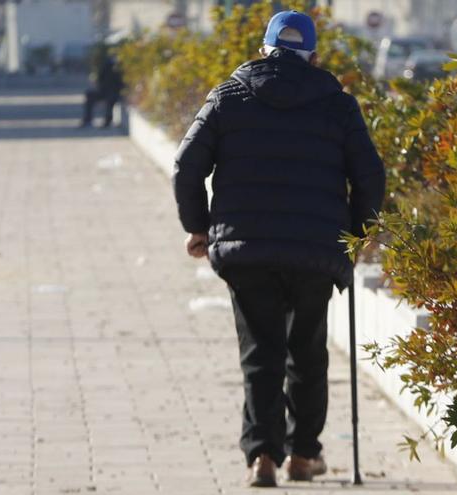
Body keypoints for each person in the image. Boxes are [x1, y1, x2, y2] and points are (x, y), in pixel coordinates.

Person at [172, 10, 385, 488]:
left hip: (247, 251)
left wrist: (198, 227)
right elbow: (370, 176)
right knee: (307, 350)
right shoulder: (338, 104)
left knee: (260, 352)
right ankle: (303, 455)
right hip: (315, 249)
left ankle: (263, 455)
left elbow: (187, 165)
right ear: (312, 56)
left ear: (265, 49)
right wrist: (355, 234)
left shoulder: (229, 96)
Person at [81, 44, 124, 128]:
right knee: (89, 95)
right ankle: (88, 119)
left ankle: (108, 121)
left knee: (111, 99)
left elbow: (122, 83)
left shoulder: (121, 66)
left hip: (116, 92)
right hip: (104, 91)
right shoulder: (106, 65)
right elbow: (100, 79)